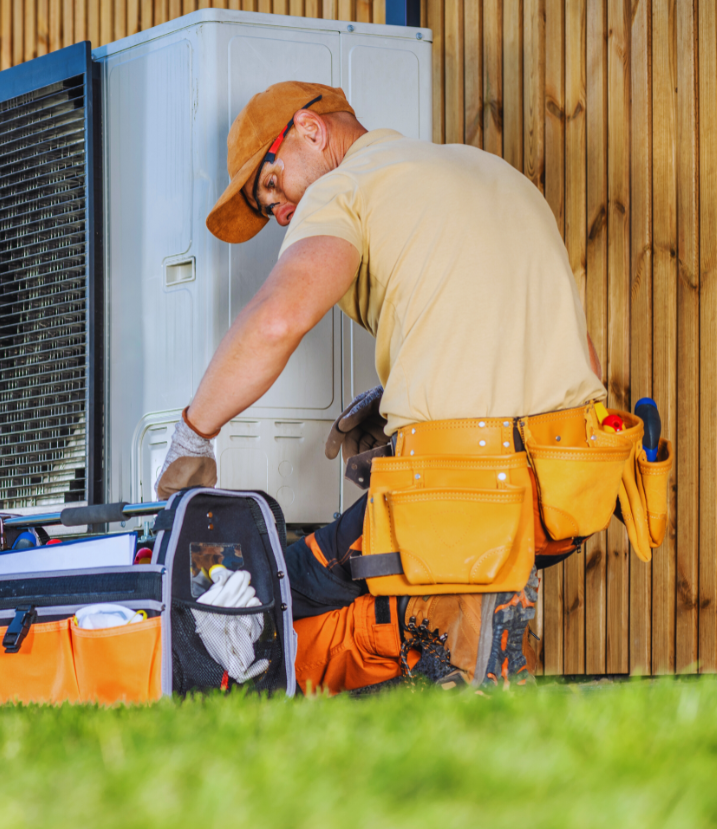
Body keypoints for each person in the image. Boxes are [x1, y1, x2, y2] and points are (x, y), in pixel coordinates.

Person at [153, 81, 610, 693]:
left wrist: (193, 435)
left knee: (272, 586)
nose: (281, 213)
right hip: (565, 492)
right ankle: (469, 633)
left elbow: (278, 319)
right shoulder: (494, 172)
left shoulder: (346, 187)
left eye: (272, 186)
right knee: (398, 563)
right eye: (270, 211)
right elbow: (578, 354)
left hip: (459, 490)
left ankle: (445, 659)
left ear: (309, 132)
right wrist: (408, 398)